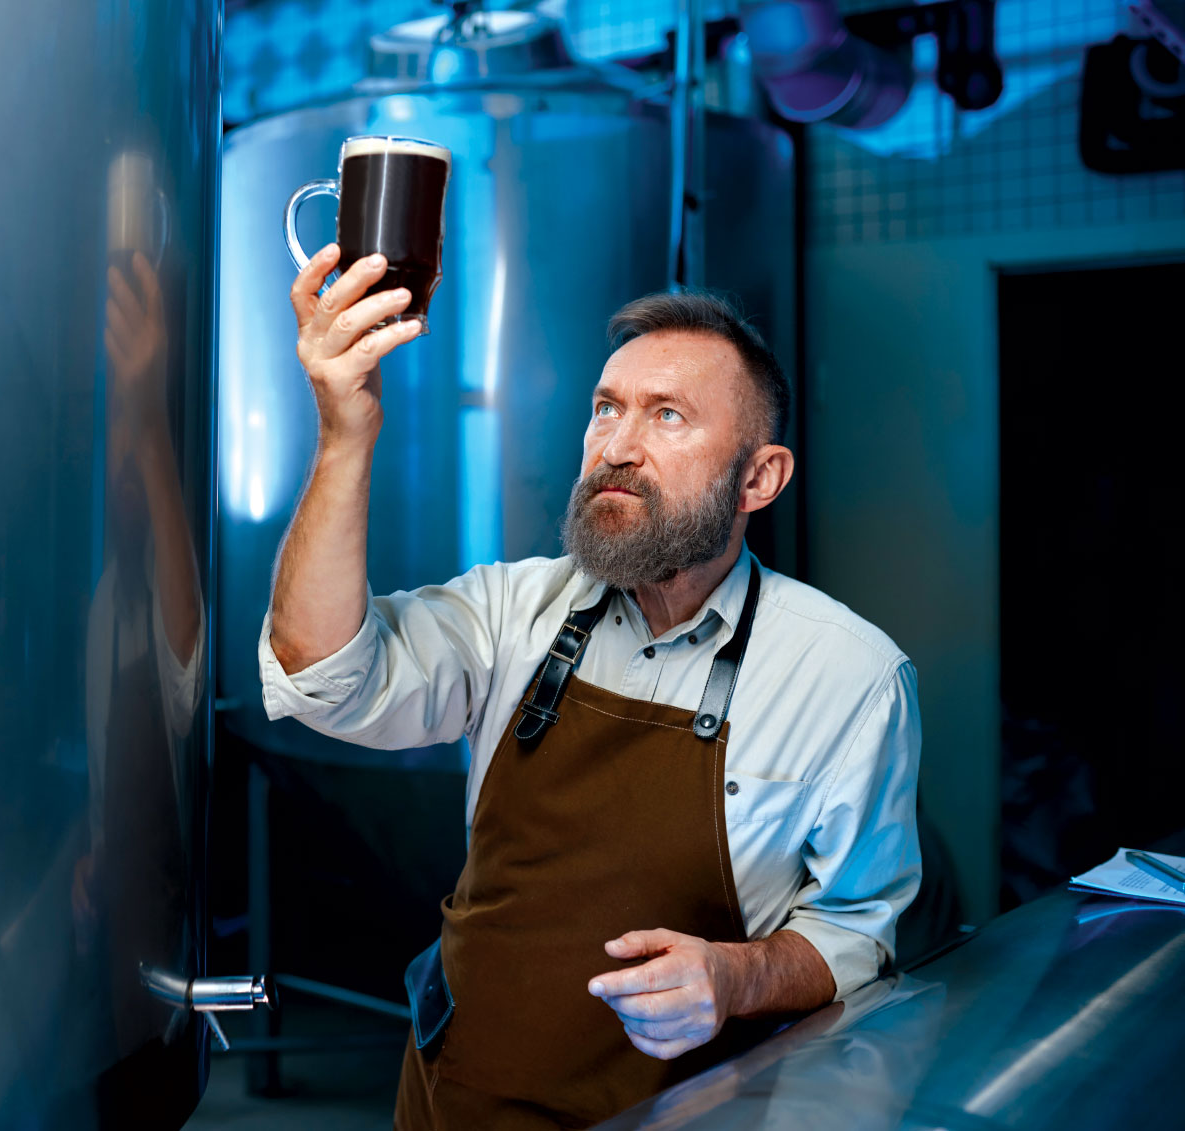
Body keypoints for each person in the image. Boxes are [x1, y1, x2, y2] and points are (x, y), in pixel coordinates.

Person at [258, 245, 923, 1129]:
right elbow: (322, 675)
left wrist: (738, 975)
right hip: (457, 1100)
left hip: (684, 1110)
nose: (618, 446)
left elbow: (856, 929)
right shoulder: (512, 610)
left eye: (669, 417)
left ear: (759, 477)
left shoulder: (850, 677)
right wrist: (347, 434)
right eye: (606, 408)